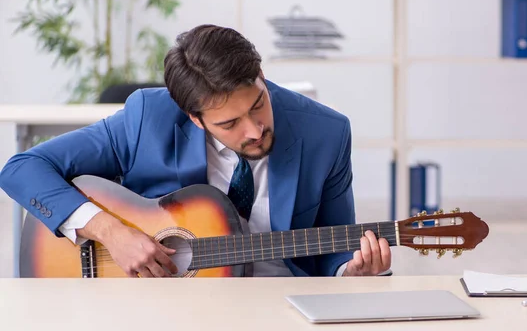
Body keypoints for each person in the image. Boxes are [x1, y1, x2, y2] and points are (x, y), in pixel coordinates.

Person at [0, 24, 392, 278]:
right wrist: (110, 231)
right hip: (159, 305)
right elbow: (22, 168)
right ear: (195, 118)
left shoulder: (327, 132)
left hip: (277, 301)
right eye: (229, 123)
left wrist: (350, 270)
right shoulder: (148, 117)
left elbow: (334, 246)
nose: (254, 130)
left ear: (262, 77)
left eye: (257, 105)